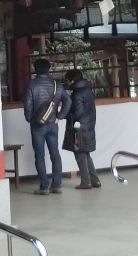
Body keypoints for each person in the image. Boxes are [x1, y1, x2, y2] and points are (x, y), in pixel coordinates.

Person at [22, 58, 69, 194]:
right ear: (48, 69)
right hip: (53, 124)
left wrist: (30, 118)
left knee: (40, 155)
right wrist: (59, 116)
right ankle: (57, 185)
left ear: (35, 69)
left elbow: (28, 105)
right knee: (55, 154)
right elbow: (68, 101)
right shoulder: (56, 85)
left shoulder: (31, 85)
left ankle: (44, 187)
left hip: (38, 125)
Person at [62, 69, 99, 189]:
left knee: (80, 154)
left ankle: (86, 181)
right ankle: (95, 180)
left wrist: (65, 114)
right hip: (88, 126)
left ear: (72, 80)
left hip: (78, 129)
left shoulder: (76, 94)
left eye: (67, 80)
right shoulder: (87, 90)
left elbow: (77, 113)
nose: (66, 83)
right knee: (86, 154)